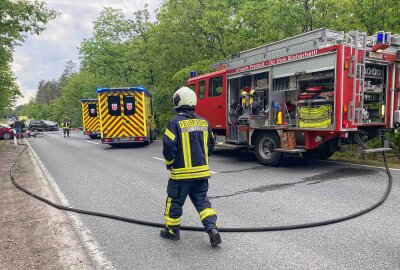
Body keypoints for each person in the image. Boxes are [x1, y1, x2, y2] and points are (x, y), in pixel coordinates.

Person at [161, 86, 221, 247]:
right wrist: (202, 161)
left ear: (178, 102)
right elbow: (211, 144)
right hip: (201, 174)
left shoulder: (174, 123)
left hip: (180, 175)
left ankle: (172, 231)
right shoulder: (204, 122)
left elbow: (168, 146)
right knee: (202, 203)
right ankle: (212, 229)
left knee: (174, 202)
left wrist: (170, 163)